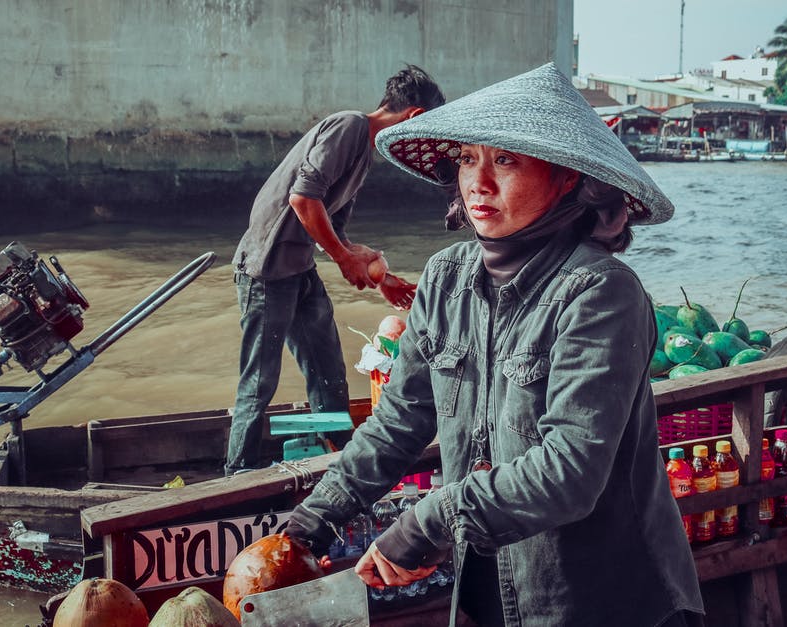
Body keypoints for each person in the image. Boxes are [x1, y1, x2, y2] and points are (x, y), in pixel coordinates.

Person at [284, 63, 705, 626]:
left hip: (599, 599)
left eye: (505, 159)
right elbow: (401, 420)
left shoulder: (600, 291)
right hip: (487, 591)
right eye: (466, 159)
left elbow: (569, 472)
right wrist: (311, 522)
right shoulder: (445, 277)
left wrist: (430, 521)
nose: (478, 181)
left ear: (567, 177)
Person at [226, 65, 446, 476]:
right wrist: (345, 260)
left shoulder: (364, 153)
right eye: (424, 132)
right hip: (265, 270)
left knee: (328, 373)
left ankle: (337, 457)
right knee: (259, 381)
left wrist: (381, 277)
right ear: (414, 117)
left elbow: (336, 229)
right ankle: (237, 474)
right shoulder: (348, 127)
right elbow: (303, 200)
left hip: (299, 270)